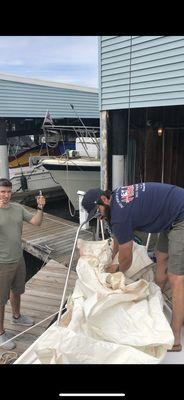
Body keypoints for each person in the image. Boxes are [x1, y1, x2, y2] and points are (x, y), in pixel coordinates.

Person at [82, 182, 184, 352]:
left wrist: (117, 270)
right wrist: (111, 258)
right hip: (171, 212)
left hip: (181, 215)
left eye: (97, 212)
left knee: (177, 278)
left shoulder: (120, 216)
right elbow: (117, 237)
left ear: (103, 200)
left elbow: (127, 259)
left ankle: (176, 337)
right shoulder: (115, 199)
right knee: (161, 256)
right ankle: (156, 299)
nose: (98, 217)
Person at [0, 178, 46, 350]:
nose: (6, 195)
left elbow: (36, 222)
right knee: (0, 300)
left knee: (17, 290)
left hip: (18, 258)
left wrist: (40, 207)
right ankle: (1, 334)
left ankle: (16, 317)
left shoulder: (17, 208)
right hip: (2, 262)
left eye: (8, 191)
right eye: (2, 191)